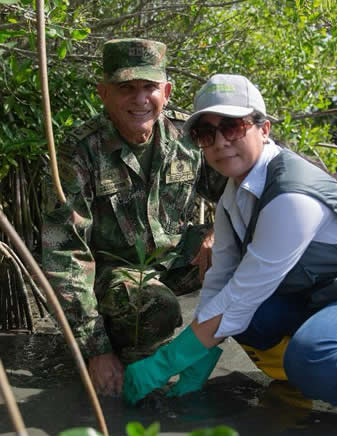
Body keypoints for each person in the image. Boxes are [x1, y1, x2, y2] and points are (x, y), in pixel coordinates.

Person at [122, 74, 337, 431]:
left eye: (233, 126)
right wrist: (198, 362)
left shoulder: (291, 195)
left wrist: (165, 362)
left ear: (264, 128)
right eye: (206, 134)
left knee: (315, 351)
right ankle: (300, 382)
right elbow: (220, 281)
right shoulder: (231, 196)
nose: (221, 142)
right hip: (327, 294)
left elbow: (241, 296)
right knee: (249, 321)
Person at [41, 39, 225, 396]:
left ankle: (226, 349)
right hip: (116, 275)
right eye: (126, 89)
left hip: (176, 259)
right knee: (152, 306)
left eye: (149, 88)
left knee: (251, 252)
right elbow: (65, 253)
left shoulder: (188, 136)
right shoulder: (79, 151)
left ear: (167, 91)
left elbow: (240, 189)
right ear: (103, 93)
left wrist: (220, 231)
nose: (140, 100)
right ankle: (131, 352)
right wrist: (97, 352)